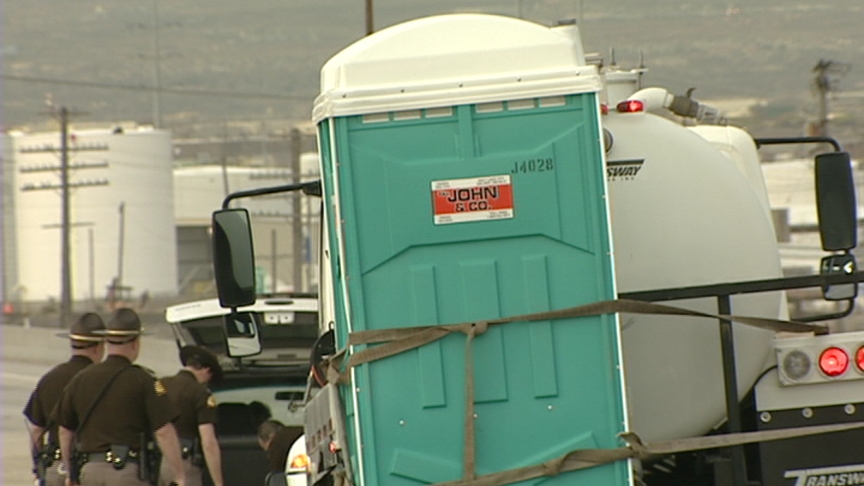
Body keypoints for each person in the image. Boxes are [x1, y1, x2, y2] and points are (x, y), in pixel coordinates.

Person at [54, 307, 187, 486]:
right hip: (127, 474)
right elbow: (163, 432)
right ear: (135, 343)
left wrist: (71, 473)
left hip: (90, 472)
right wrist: (179, 475)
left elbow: (65, 430)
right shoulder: (144, 380)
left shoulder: (81, 379)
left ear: (107, 342)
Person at [23, 312, 106, 486]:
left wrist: (38, 469)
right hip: (90, 468)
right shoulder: (101, 381)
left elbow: (36, 431)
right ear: (99, 347)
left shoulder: (49, 379)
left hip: (54, 467)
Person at [158, 345, 225, 486]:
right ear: (207, 370)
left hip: (158, 462)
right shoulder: (200, 393)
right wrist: (219, 483)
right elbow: (208, 443)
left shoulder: (160, 385)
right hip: (184, 463)